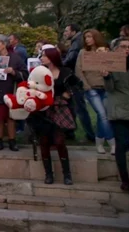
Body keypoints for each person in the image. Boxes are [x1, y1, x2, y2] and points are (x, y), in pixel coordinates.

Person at [29, 47, 78, 185]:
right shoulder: (38, 72)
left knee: (59, 141)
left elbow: (77, 85)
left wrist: (69, 93)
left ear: (52, 57)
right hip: (43, 109)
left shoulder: (65, 72)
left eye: (44, 56)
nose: (42, 58)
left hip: (59, 108)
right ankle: (48, 174)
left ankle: (67, 174)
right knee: (44, 142)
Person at [102, 38, 129, 192]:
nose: (126, 49)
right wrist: (107, 76)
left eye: (128, 47)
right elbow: (109, 88)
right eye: (123, 46)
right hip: (119, 111)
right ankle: (125, 180)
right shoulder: (111, 64)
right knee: (121, 146)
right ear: (115, 49)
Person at [75, 29, 115, 154]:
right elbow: (78, 70)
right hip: (91, 89)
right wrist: (87, 86)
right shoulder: (82, 52)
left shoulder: (105, 51)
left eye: (90, 37)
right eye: (86, 37)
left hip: (105, 87)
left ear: (96, 38)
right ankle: (112, 142)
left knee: (101, 116)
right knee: (103, 114)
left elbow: (112, 68)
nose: (87, 39)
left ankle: (99, 143)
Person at [0, 34, 28, 152]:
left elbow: (25, 74)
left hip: (10, 91)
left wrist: (13, 72)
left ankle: (12, 141)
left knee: (11, 117)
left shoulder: (15, 58)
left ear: (4, 44)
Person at [63, 24, 94, 142]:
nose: (65, 33)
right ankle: (71, 132)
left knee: (79, 108)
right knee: (76, 107)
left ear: (73, 31)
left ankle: (90, 135)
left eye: (66, 31)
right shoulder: (77, 42)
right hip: (77, 79)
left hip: (76, 80)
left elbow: (70, 59)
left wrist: (59, 63)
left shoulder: (77, 43)